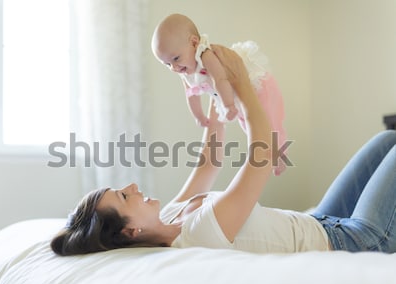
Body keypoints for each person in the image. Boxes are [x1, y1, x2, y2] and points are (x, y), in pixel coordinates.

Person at [50, 44, 396, 256]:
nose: (132, 188)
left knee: (385, 140)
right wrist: (242, 81)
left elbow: (208, 163)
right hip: (352, 241)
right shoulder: (197, 235)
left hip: (316, 218)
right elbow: (261, 155)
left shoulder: (172, 214)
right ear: (131, 232)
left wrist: (207, 84)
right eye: (124, 198)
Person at [151, 13, 287, 175]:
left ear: (194, 43)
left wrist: (228, 104)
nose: (174, 67)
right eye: (167, 64)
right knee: (248, 125)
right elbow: (191, 93)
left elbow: (220, 79)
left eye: (176, 58)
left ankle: (280, 155)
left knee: (269, 122)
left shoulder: (206, 54)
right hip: (238, 95)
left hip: (256, 85)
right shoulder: (184, 71)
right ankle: (271, 156)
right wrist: (199, 116)